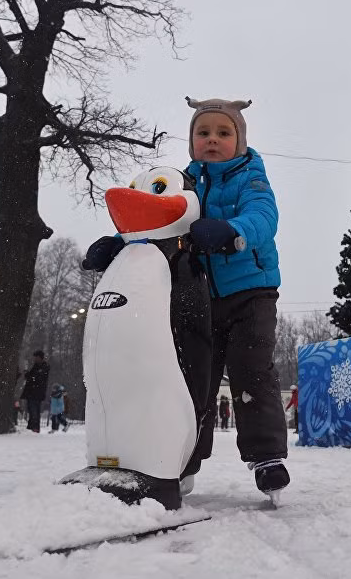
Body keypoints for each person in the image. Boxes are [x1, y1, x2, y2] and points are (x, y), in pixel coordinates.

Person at [83, 97, 290, 497]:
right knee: (193, 378)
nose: (212, 139)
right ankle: (181, 459)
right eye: (203, 132)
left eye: (223, 132)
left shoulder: (251, 179)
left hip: (251, 292)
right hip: (199, 297)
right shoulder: (184, 182)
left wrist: (233, 231)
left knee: (251, 369)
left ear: (240, 140)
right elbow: (158, 218)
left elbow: (263, 218)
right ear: (192, 140)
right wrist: (118, 244)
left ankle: (266, 457)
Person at [20, 350, 50, 433]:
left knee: (34, 410)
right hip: (32, 392)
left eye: (36, 357)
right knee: (31, 410)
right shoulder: (36, 366)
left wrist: (30, 376)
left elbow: (37, 378)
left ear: (40, 358)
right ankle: (31, 426)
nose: (35, 359)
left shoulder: (44, 367)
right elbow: (32, 376)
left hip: (36, 393)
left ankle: (35, 427)